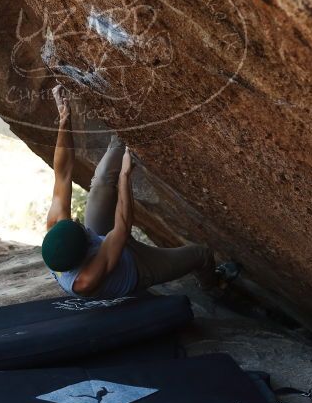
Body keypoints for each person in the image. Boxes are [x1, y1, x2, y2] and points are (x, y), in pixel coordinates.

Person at [42, 85, 228, 298]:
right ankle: (212, 285)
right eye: (80, 228)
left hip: (105, 240)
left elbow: (63, 172)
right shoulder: (85, 280)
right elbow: (121, 228)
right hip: (136, 268)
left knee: (102, 179)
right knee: (201, 254)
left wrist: (64, 117)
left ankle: (122, 132)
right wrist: (125, 176)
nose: (76, 221)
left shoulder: (56, 230)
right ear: (84, 249)